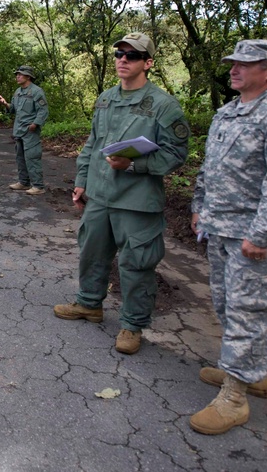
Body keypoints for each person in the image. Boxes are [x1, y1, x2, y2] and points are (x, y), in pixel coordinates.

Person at [189, 39, 267, 436]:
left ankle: (234, 398)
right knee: (227, 304)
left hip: (257, 237)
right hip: (221, 227)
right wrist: (198, 206)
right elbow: (210, 166)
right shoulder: (226, 113)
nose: (234, 70)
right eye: (233, 64)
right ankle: (250, 373)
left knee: (249, 310)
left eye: (245, 64)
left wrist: (262, 233)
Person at [53, 32, 190, 355]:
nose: (123, 60)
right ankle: (89, 304)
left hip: (137, 201)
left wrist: (133, 165)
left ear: (148, 63)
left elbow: (176, 153)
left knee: (136, 264)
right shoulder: (106, 98)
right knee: (92, 252)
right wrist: (82, 180)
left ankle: (132, 325)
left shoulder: (162, 105)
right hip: (100, 195)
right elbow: (93, 143)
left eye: (132, 55)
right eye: (119, 54)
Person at [0, 65, 49, 195]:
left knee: (32, 157)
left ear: (28, 76)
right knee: (20, 157)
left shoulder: (36, 92)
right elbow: (13, 109)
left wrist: (36, 124)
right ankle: (24, 182)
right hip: (19, 130)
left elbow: (43, 111)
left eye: (20, 74)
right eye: (17, 74)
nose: (17, 76)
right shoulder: (18, 92)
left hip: (30, 130)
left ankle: (38, 186)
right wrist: (5, 104)